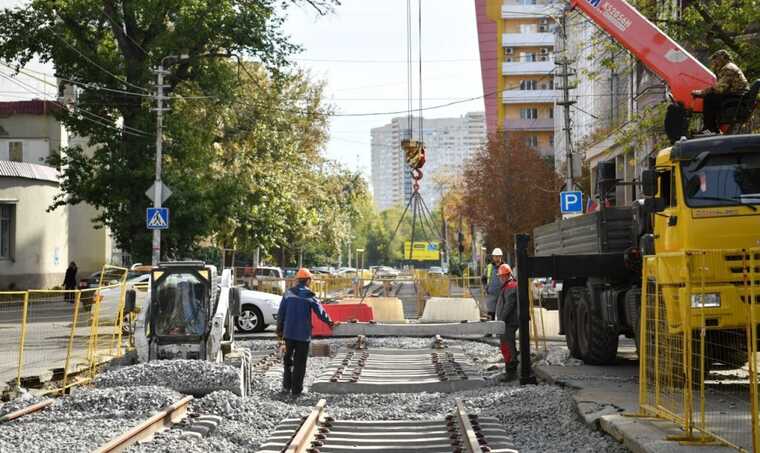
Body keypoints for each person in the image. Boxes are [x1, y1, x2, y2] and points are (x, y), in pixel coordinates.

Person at [276, 268, 339, 397]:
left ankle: (286, 387)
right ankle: (297, 390)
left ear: (298, 280)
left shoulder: (288, 294)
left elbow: (281, 313)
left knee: (288, 360)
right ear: (308, 280)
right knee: (300, 362)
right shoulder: (310, 295)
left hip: (288, 334)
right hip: (303, 335)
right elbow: (320, 312)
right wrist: (330, 323)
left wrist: (279, 330)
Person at [692, 49, 749, 134]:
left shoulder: (728, 68)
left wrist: (702, 93)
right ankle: (712, 128)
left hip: (736, 98)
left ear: (722, 59)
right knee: (712, 96)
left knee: (709, 97)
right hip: (737, 96)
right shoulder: (729, 67)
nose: (714, 62)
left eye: (716, 59)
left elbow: (719, 88)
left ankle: (710, 128)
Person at [495, 263, 519, 381]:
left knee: (508, 346)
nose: (500, 278)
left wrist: (501, 320)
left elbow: (508, 305)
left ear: (506, 275)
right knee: (506, 345)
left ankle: (511, 372)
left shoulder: (510, 286)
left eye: (501, 276)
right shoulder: (508, 286)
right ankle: (509, 370)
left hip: (509, 322)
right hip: (506, 322)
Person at [481, 248, 504, 321]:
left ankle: (502, 331)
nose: (497, 258)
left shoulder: (505, 266)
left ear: (501, 256)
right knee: (490, 314)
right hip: (491, 294)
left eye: (498, 256)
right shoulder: (489, 267)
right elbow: (483, 278)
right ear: (493, 257)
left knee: (502, 314)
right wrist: (485, 288)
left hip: (502, 294)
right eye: (495, 256)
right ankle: (490, 331)